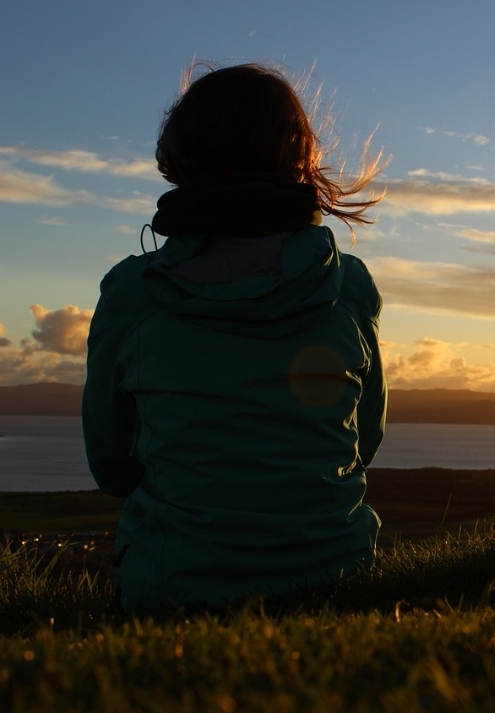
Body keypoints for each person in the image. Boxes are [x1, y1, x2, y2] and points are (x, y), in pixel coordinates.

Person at [82, 63, 387, 614]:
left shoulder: (133, 293)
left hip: (172, 590)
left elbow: (112, 468)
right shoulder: (348, 287)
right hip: (338, 583)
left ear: (181, 157)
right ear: (299, 157)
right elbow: (363, 442)